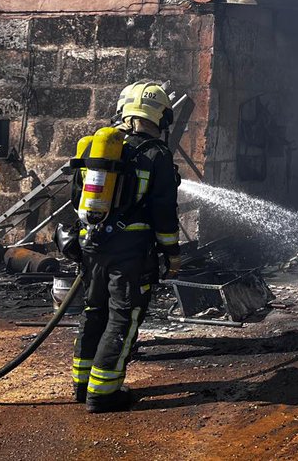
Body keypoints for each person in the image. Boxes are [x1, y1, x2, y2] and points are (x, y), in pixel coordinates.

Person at [64, 81, 182, 413]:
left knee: (94, 311)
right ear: (161, 117)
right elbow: (163, 211)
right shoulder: (156, 155)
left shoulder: (99, 149)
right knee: (123, 317)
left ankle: (82, 384)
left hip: (92, 245)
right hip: (130, 253)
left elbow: (76, 197)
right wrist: (172, 253)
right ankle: (104, 393)